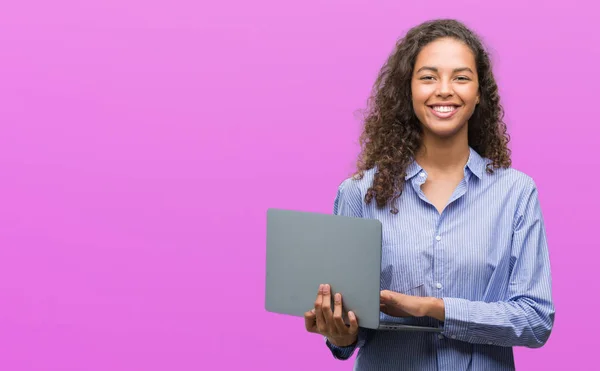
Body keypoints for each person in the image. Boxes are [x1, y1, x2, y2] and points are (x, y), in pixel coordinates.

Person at [303, 19, 554, 370]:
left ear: (480, 92)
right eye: (428, 77)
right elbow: (350, 329)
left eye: (461, 77)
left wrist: (433, 308)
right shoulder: (359, 194)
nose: (444, 90)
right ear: (409, 89)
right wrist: (340, 334)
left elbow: (535, 319)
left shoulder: (515, 193)